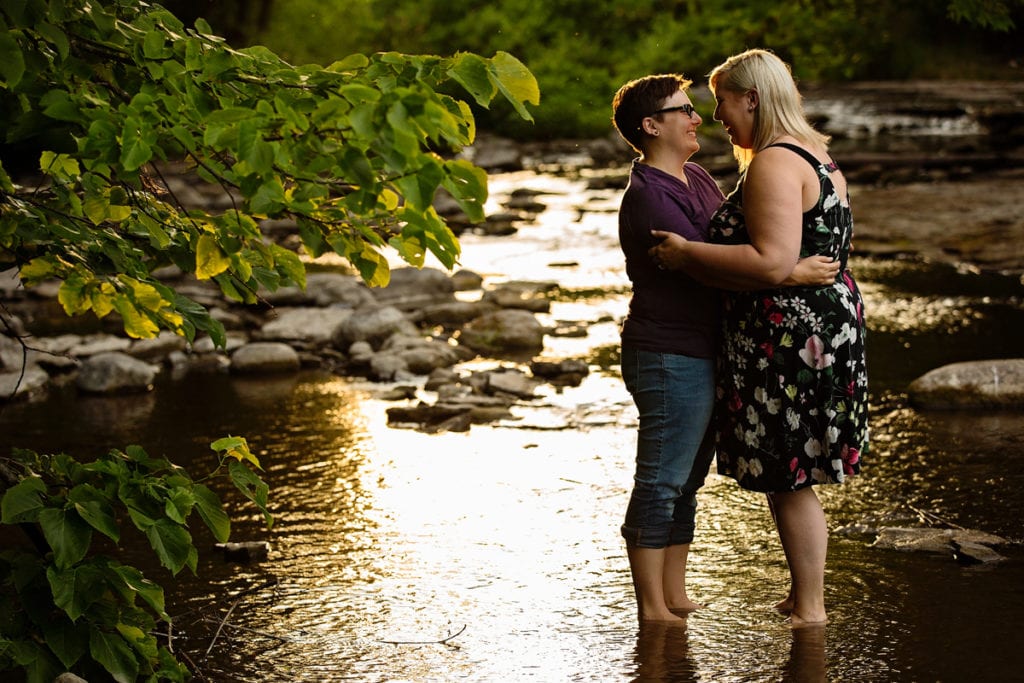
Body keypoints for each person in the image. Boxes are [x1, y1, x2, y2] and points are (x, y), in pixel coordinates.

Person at [649, 49, 869, 627]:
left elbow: (772, 263)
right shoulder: (816, 153)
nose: (716, 114)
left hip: (790, 338)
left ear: (752, 98)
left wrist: (686, 252)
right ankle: (804, 597)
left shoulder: (774, 162)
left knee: (788, 473)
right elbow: (794, 257)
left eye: (722, 100)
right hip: (817, 326)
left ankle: (811, 609)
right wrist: (784, 270)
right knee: (788, 473)